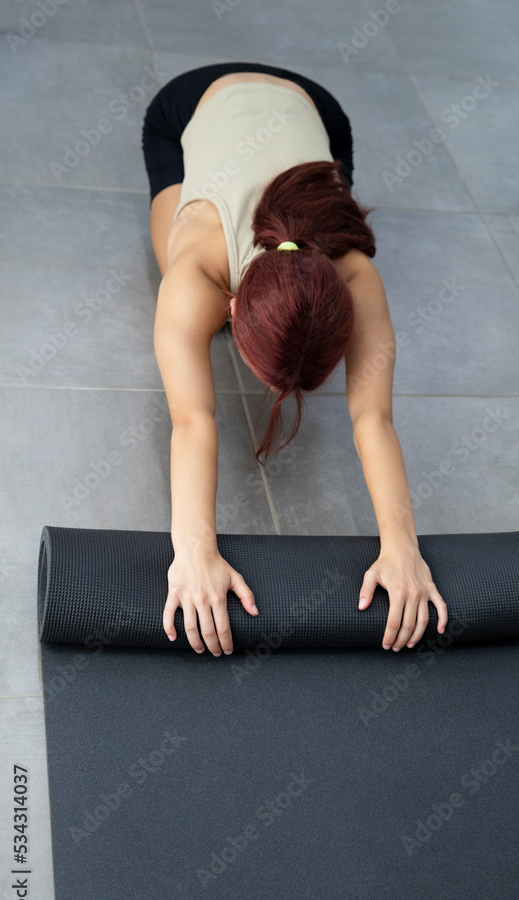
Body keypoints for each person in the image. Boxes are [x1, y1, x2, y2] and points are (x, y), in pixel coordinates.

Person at [141, 61, 448, 658]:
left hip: (319, 111)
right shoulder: (197, 266)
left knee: (332, 195)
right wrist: (193, 550)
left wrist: (403, 546)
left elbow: (373, 419)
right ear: (230, 306)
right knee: (165, 249)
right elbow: (192, 420)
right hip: (194, 100)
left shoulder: (355, 274)